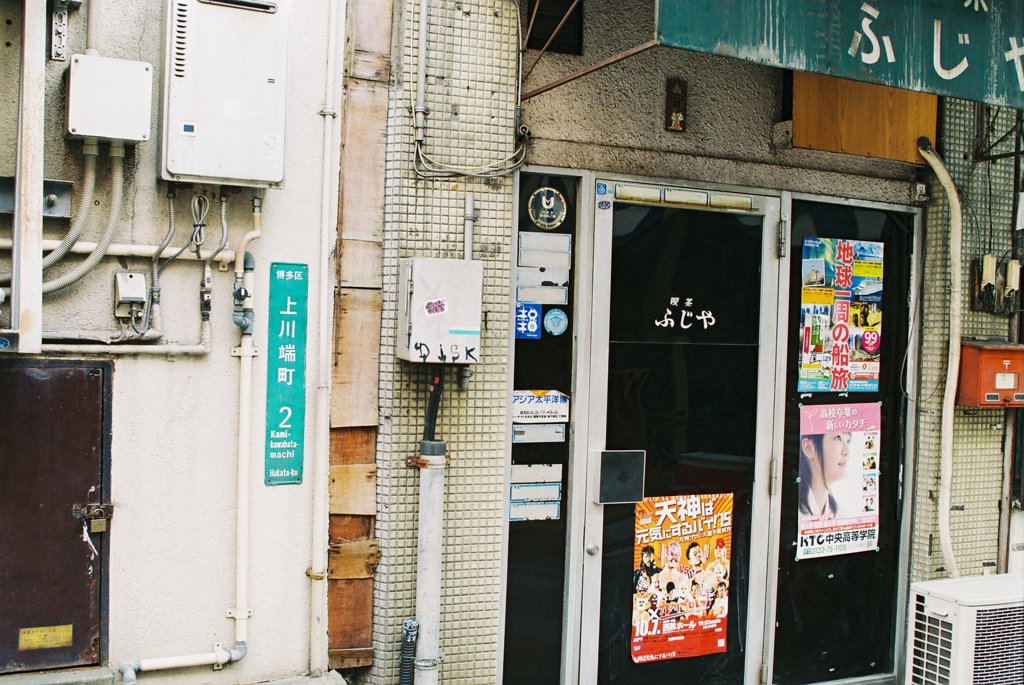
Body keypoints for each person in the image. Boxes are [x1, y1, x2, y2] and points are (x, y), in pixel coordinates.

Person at [799, 431, 851, 517]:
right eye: (838, 438)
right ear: (808, 448)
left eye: (848, 441)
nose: (847, 451)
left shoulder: (839, 514)